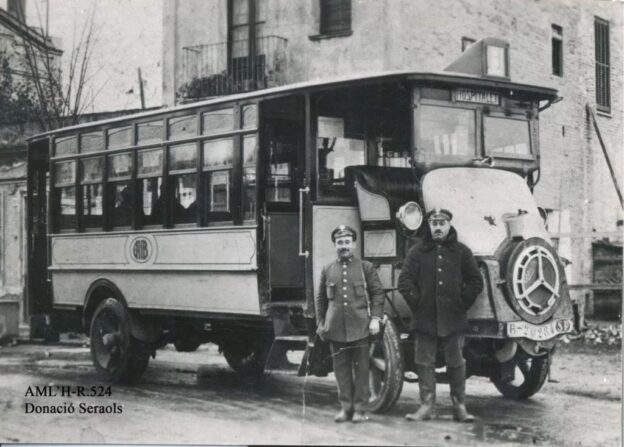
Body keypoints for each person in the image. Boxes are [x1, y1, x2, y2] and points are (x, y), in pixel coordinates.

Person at [398, 208, 483, 422]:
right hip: (425, 317)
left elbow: (475, 281)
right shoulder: (417, 251)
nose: (437, 227)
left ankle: (460, 407)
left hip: (453, 318)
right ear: (429, 225)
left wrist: (461, 303)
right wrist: (418, 303)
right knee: (423, 361)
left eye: (441, 223)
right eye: (434, 223)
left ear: (448, 225)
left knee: (456, 361)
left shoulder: (462, 252)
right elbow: (405, 281)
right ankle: (426, 406)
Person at [315, 225, 385, 423]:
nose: (343, 246)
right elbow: (321, 299)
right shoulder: (328, 269)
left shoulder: (365, 268)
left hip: (360, 328)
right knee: (341, 371)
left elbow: (378, 294)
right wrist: (321, 324)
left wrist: (375, 319)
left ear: (353, 244)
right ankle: (346, 409)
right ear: (335, 245)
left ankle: (361, 410)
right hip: (335, 328)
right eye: (340, 242)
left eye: (347, 242)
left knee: (362, 370)